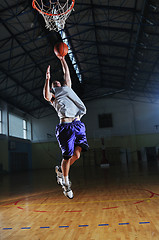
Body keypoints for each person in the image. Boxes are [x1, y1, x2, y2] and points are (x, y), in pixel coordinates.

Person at [43, 55, 89, 199]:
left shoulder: (67, 89)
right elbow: (45, 95)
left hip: (77, 124)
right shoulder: (54, 97)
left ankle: (61, 172)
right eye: (54, 83)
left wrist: (63, 59)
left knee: (77, 154)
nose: (57, 82)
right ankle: (66, 183)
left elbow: (67, 74)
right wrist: (47, 78)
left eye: (58, 81)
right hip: (65, 127)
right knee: (67, 156)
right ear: (52, 88)